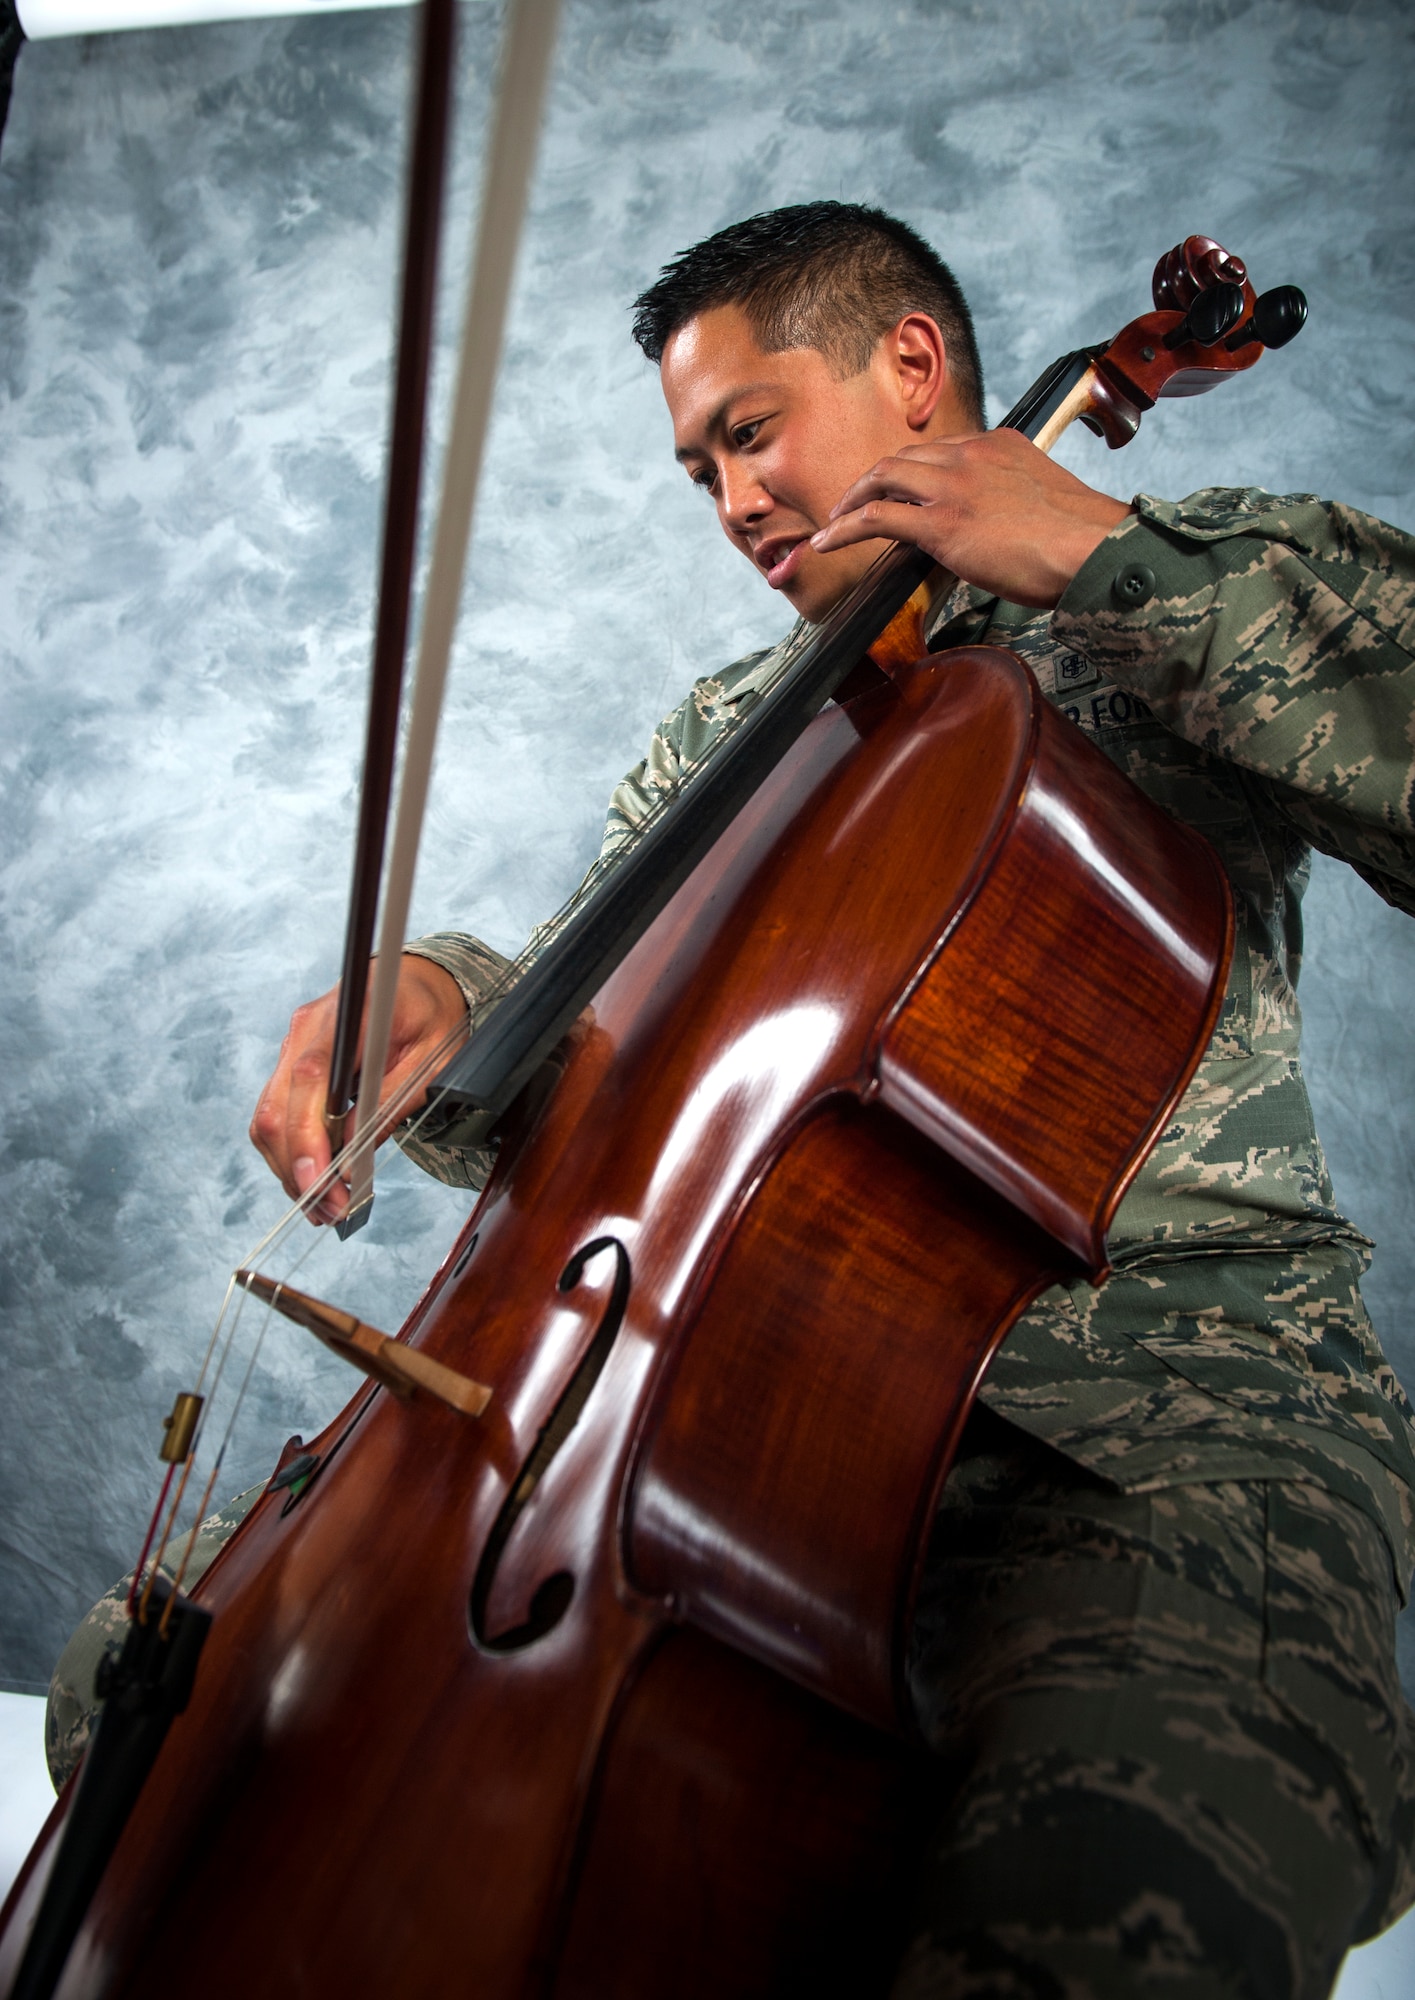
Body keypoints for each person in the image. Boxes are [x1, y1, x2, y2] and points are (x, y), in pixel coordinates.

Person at [52, 203, 1415, 1998]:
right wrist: (447, 995)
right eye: (698, 471)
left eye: (749, 432)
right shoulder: (732, 729)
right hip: (733, 1415)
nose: (732, 507)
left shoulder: (1187, 570)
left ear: (912, 365)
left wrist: (1103, 556)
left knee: (1091, 1928)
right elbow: (603, 1080)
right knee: (153, 1695)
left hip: (1153, 1437)